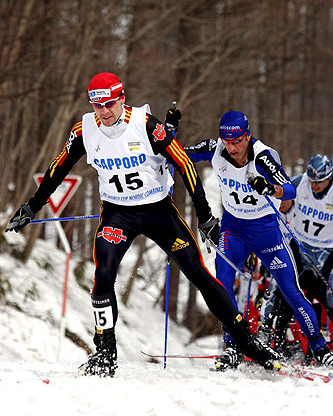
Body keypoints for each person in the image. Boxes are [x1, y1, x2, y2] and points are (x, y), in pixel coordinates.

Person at [6, 73, 279, 377]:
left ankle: (248, 343)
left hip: (158, 212)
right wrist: (32, 206)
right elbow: (58, 167)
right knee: (103, 273)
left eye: (109, 103)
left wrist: (204, 216)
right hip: (117, 215)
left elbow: (185, 164)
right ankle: (105, 353)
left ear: (122, 98)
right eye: (97, 105)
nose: (104, 111)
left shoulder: (146, 125)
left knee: (197, 272)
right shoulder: (84, 130)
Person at [166, 108, 333, 369]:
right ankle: (232, 346)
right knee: (221, 284)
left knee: (291, 291)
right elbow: (179, 155)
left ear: (247, 136)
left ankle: (319, 347)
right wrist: (169, 132)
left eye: (237, 141)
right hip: (233, 230)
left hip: (267, 233)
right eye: (227, 141)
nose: (232, 148)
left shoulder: (262, 157)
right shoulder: (216, 148)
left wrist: (270, 188)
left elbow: (288, 188)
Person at [258, 154, 333, 356]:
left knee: (330, 295)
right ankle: (268, 337)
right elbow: (277, 205)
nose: (315, 185)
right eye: (312, 181)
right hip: (299, 246)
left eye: (320, 182)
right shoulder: (299, 183)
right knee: (281, 288)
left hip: (327, 252)